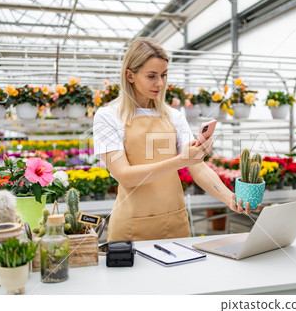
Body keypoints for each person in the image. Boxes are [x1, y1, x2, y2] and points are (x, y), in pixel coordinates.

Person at [93, 38, 262, 242]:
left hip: (175, 223)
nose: (160, 83)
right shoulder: (108, 116)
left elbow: (198, 168)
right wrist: (183, 160)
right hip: (130, 228)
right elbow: (125, 176)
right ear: (130, 75)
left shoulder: (174, 116)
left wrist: (230, 198)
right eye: (152, 76)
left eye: (164, 75)